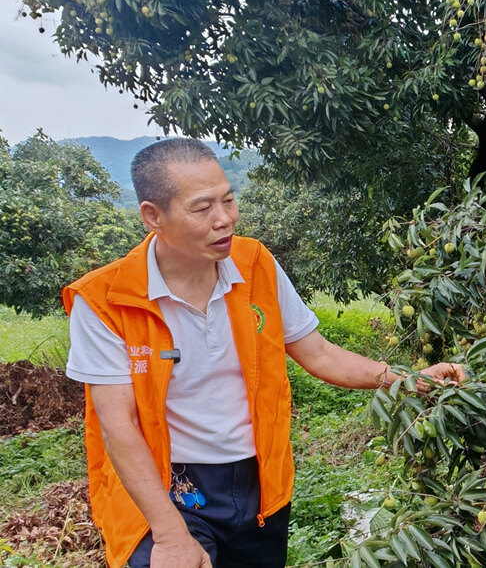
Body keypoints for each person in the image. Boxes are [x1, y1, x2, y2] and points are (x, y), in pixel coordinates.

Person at [63, 138, 464, 568]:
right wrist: (170, 534)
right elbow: (118, 427)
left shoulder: (254, 264)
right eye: (202, 208)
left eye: (228, 200)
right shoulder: (106, 299)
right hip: (166, 486)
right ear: (152, 216)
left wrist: (408, 379)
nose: (224, 219)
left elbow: (320, 353)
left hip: (258, 481)